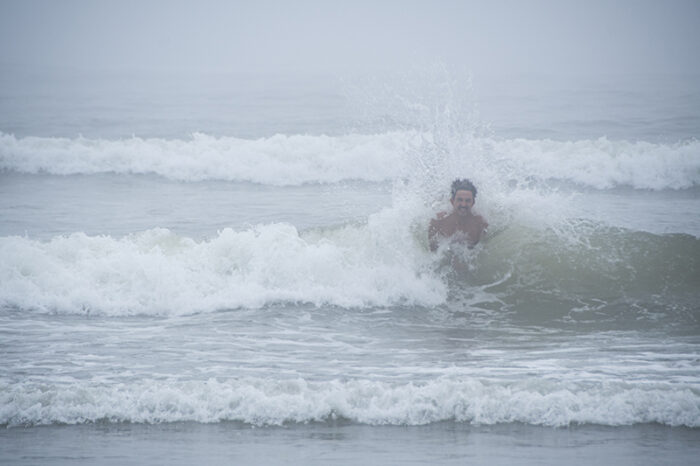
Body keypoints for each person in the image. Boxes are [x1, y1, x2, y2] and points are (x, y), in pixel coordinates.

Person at [429, 178, 488, 252]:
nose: (463, 204)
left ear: (473, 203)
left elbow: (481, 251)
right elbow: (432, 252)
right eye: (460, 200)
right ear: (452, 201)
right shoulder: (439, 221)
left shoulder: (480, 223)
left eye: (468, 201)